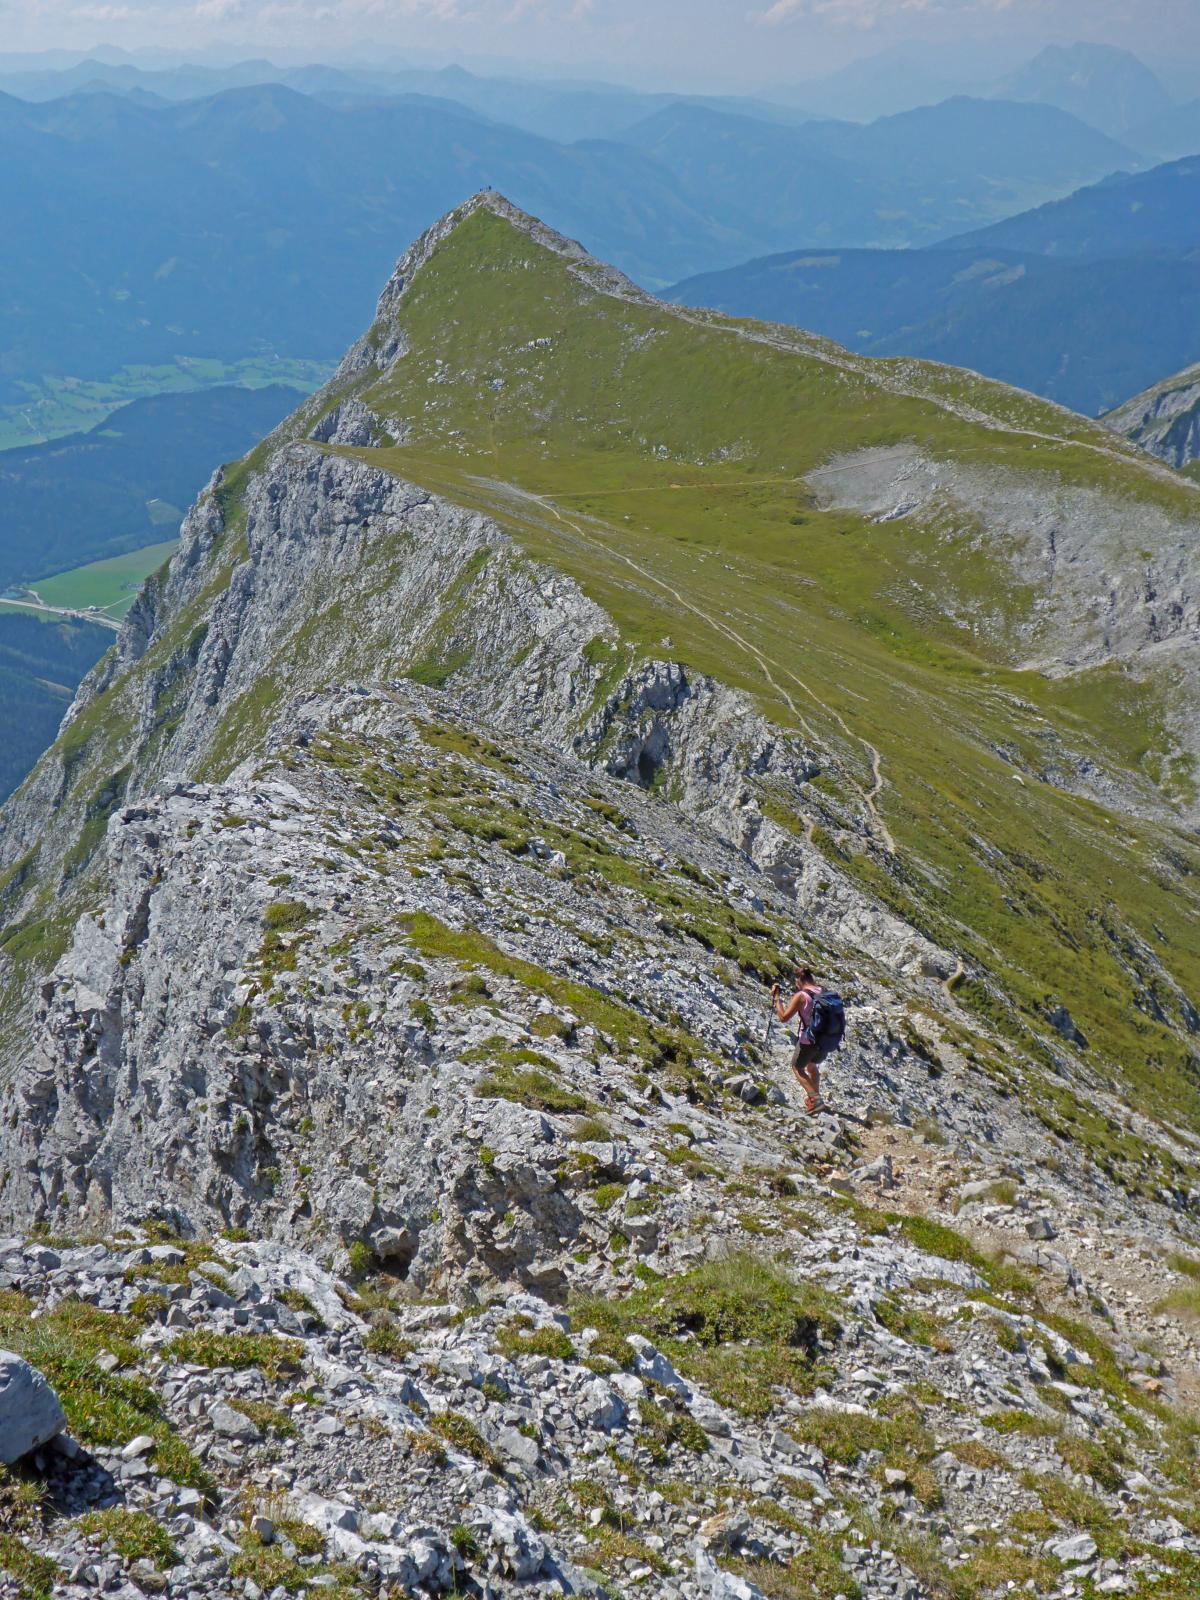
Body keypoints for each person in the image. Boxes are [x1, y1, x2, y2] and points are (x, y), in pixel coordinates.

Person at [772, 967, 824, 1116]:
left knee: (797, 1067)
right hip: (826, 1040)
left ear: (799, 980)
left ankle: (815, 1100)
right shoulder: (823, 991)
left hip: (808, 1040)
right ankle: (814, 1101)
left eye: (796, 982)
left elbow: (783, 1017)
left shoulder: (801, 995)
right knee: (812, 1067)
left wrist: (776, 999)